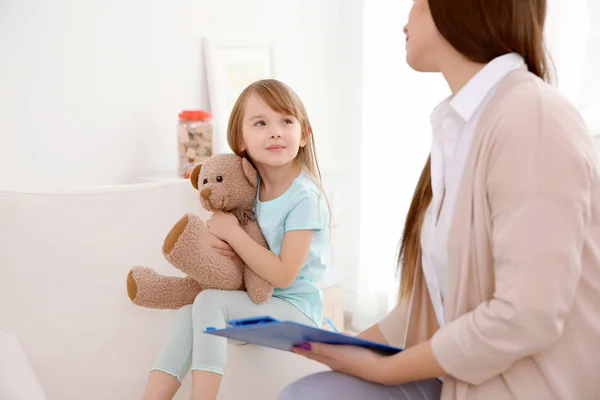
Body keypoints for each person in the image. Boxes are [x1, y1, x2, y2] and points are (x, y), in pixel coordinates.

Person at [278, 0, 600, 399]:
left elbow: (527, 316)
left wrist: (389, 370)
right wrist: (347, 347)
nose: (405, 19)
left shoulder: (531, 117)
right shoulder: (464, 125)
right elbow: (439, 303)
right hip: (464, 381)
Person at [140, 79, 330, 400]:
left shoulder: (304, 198)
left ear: (304, 135)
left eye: (286, 121)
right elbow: (239, 239)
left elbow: (284, 274)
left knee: (210, 301)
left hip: (297, 311)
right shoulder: (249, 187)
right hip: (259, 301)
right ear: (240, 140)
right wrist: (219, 241)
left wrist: (232, 234)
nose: (275, 131)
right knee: (190, 308)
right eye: (260, 123)